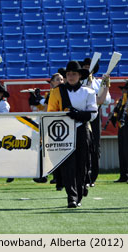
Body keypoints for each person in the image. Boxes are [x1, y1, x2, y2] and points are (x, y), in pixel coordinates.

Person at [47, 61, 98, 208]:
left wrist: (78, 115)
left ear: (80, 76)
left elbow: (93, 113)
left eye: (74, 74)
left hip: (82, 129)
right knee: (67, 165)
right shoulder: (56, 91)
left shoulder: (88, 91)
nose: (70, 76)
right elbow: (51, 112)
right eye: (68, 74)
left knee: (82, 164)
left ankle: (80, 193)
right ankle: (72, 197)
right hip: (64, 132)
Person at [80, 58, 111, 187]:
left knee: (95, 146)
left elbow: (106, 101)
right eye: (85, 67)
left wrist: (105, 85)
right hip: (80, 117)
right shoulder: (79, 82)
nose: (87, 69)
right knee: (82, 146)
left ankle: (93, 177)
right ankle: (82, 175)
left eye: (90, 67)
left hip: (94, 116)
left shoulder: (98, 82)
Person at [108, 81, 128, 182]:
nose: (123, 91)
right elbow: (118, 112)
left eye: (125, 89)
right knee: (122, 152)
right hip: (123, 128)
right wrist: (114, 116)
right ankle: (123, 175)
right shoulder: (121, 100)